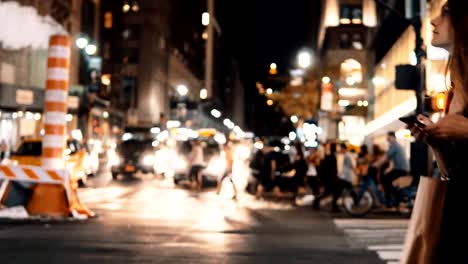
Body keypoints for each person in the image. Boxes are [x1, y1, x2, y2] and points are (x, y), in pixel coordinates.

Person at [409, 1, 468, 261]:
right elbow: (453, 172)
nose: (433, 21)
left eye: (445, 13)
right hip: (454, 216)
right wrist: (437, 143)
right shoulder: (455, 89)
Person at [373, 132, 409, 206]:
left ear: (393, 137)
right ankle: (392, 196)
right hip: (401, 168)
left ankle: (391, 199)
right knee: (386, 177)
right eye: (387, 138)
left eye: (389, 138)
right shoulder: (396, 145)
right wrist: (388, 169)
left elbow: (386, 157)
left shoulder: (394, 145)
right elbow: (391, 160)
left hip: (401, 169)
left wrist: (375, 164)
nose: (388, 139)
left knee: (385, 179)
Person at [313, 143, 341, 213]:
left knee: (330, 192)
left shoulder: (330, 156)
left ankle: (317, 202)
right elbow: (332, 169)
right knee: (335, 192)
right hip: (331, 178)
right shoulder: (332, 157)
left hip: (330, 178)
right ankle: (333, 206)